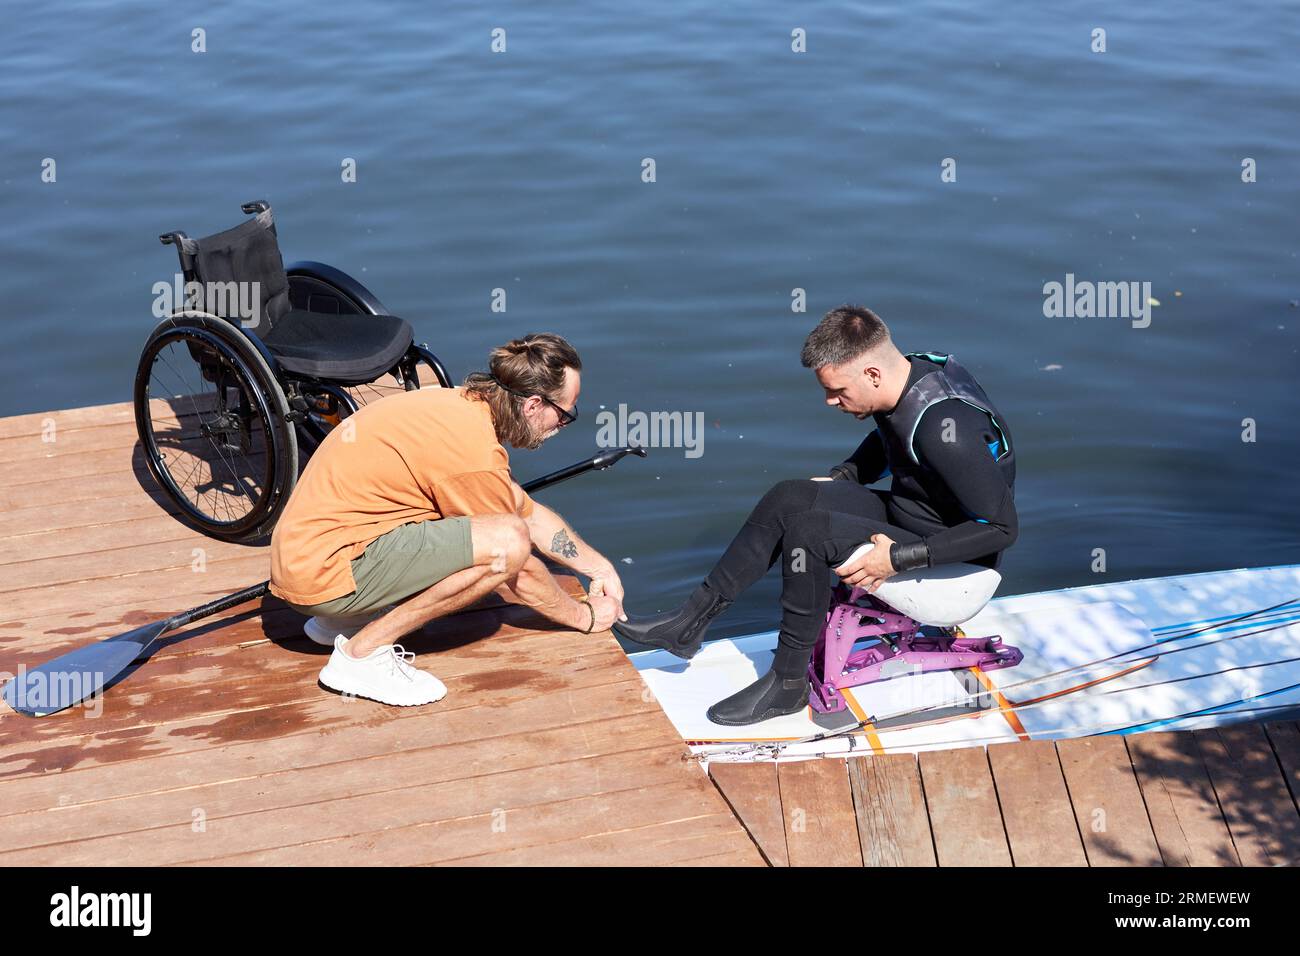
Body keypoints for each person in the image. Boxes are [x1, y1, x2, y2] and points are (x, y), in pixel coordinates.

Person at [615, 305, 1017, 725]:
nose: (830, 401)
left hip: (957, 567)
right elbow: (890, 438)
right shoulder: (907, 377)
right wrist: (842, 479)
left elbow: (1003, 529)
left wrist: (899, 559)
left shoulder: (945, 428)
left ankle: (788, 685)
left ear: (872, 375)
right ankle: (688, 622)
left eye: (838, 391)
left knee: (810, 532)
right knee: (792, 496)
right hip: (914, 522)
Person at [270, 333, 625, 706]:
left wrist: (600, 569)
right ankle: (362, 655)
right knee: (506, 543)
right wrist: (584, 616)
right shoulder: (473, 455)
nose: (564, 425)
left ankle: (341, 622)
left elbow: (528, 512)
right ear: (534, 405)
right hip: (324, 576)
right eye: (566, 413)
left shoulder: (458, 407)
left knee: (501, 530)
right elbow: (514, 561)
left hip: (312, 556)